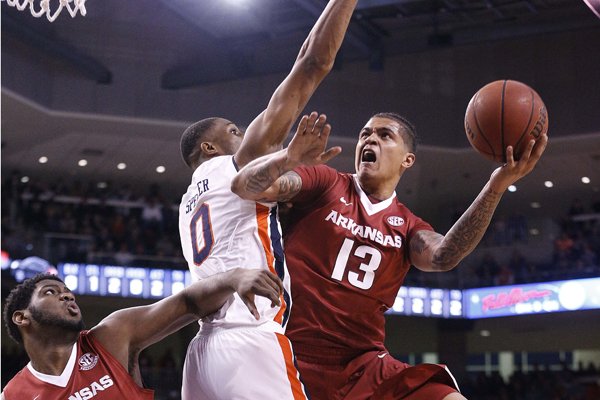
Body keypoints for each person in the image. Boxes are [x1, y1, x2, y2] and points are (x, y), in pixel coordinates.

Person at [232, 112, 548, 399]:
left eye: (385, 135)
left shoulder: (409, 226)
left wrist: (496, 186)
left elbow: (444, 256)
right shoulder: (326, 182)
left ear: (407, 160)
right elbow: (249, 187)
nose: (370, 139)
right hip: (293, 353)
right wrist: (289, 157)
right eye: (365, 133)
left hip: (366, 365)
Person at [177, 1, 358, 398]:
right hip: (249, 333)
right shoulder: (232, 165)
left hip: (204, 348)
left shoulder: (189, 200)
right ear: (210, 146)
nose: (244, 135)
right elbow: (310, 65)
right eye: (234, 130)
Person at [1, 269, 283, 399]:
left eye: (67, 291)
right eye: (51, 293)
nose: (67, 297)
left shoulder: (110, 337)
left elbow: (186, 303)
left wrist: (233, 278)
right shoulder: (15, 395)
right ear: (21, 317)